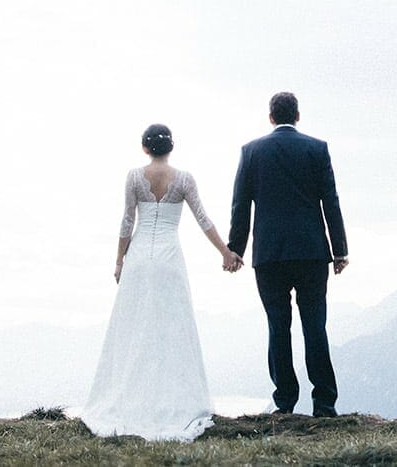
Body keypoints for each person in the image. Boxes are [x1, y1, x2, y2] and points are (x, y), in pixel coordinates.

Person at [79, 123, 244, 442]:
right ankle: (174, 402)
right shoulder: (184, 179)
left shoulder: (133, 177)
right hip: (169, 262)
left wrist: (119, 261)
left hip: (139, 260)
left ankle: (131, 398)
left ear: (144, 148)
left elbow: (128, 220)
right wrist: (225, 252)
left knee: (135, 329)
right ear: (171, 148)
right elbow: (203, 219)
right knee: (172, 329)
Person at [227, 91, 349, 416]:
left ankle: (284, 402)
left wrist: (236, 250)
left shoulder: (251, 152)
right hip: (311, 252)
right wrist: (340, 251)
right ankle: (324, 403)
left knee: (278, 327)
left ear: (270, 117)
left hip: (268, 255)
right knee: (315, 326)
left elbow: (241, 205)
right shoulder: (317, 149)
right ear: (298, 116)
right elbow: (330, 202)